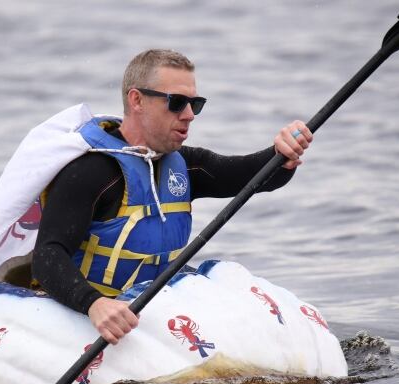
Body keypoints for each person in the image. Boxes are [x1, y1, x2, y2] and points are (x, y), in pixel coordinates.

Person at [31, 49, 312, 346]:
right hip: (88, 314)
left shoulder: (185, 164)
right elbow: (48, 256)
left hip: (150, 310)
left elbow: (251, 175)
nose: (189, 114)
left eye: (195, 104)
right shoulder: (91, 171)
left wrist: (282, 155)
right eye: (177, 102)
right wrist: (94, 304)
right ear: (136, 100)